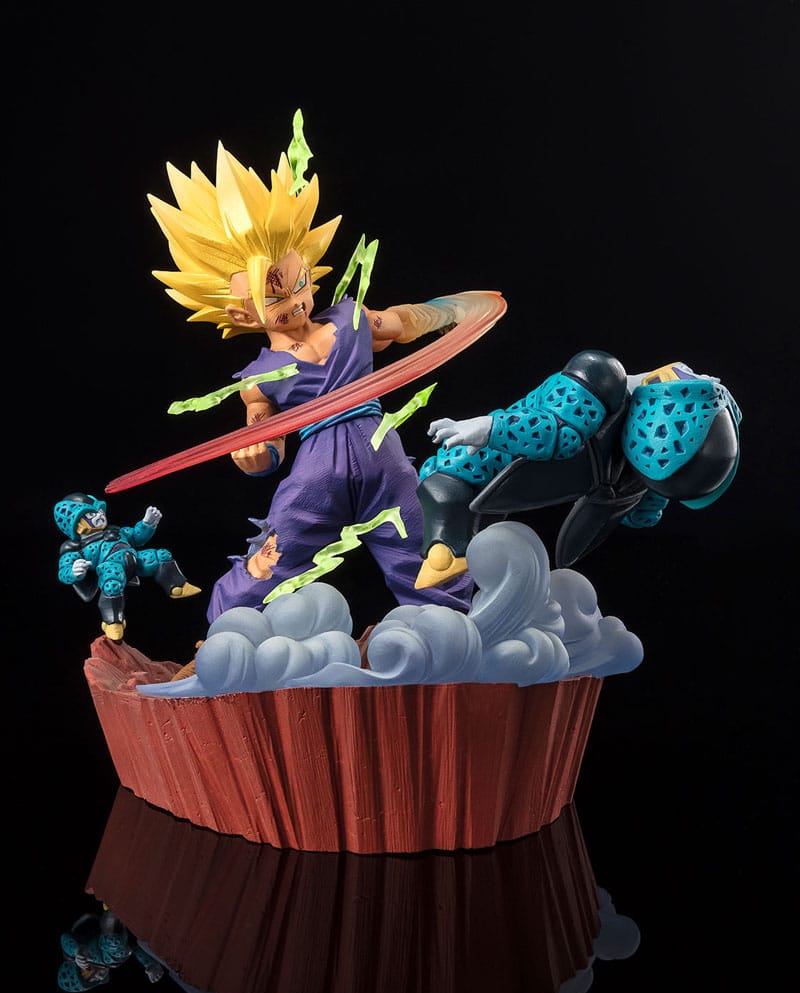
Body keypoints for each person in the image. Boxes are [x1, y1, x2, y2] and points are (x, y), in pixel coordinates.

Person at [148, 110, 473, 622]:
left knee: (429, 554)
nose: (295, 301)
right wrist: (256, 454)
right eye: (275, 298)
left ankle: (458, 632)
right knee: (270, 561)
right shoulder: (259, 375)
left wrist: (459, 311)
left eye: (298, 282)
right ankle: (226, 634)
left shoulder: (350, 319)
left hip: (384, 460)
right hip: (316, 477)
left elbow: (404, 322)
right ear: (243, 315)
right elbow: (267, 438)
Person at [414, 350, 742, 587]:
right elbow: (557, 430)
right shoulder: (599, 375)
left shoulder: (641, 469)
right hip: (462, 471)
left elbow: (643, 513)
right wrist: (490, 428)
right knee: (447, 544)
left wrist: (641, 495)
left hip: (488, 491)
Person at [55, 492, 201, 641]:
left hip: (135, 559)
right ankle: (112, 622)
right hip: (111, 567)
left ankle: (177, 586)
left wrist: (147, 523)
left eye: (99, 511)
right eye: (92, 515)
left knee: (160, 555)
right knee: (111, 583)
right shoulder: (79, 549)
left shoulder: (117, 531)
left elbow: (137, 537)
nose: (99, 516)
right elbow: (64, 570)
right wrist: (74, 572)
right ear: (77, 523)